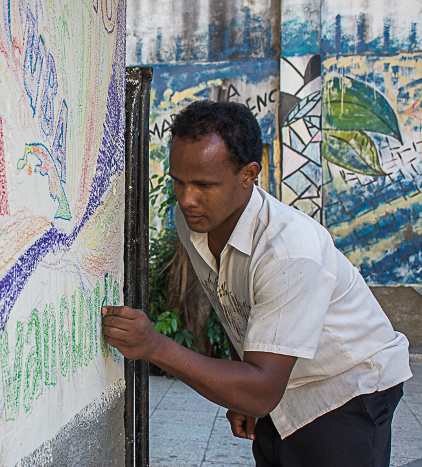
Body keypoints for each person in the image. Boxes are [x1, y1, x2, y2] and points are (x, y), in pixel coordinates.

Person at [101, 100, 412, 467]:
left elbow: (262, 391)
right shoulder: (194, 222)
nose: (187, 199)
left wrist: (155, 346)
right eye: (178, 181)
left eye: (204, 184)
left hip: (347, 389)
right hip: (280, 384)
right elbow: (235, 307)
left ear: (248, 175)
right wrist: (239, 391)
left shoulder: (288, 252)